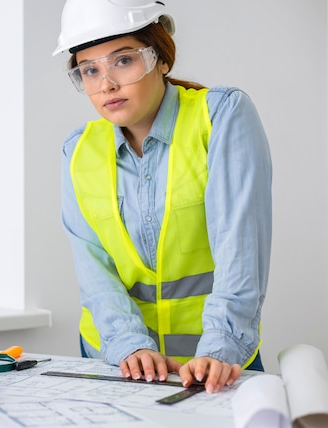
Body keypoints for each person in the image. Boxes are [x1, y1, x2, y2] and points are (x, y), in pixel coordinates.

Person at [55, 0, 272, 394]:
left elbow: (240, 248)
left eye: (123, 61)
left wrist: (221, 348)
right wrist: (128, 344)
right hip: (121, 362)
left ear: (161, 58)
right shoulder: (78, 150)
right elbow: (94, 269)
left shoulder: (220, 116)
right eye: (89, 70)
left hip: (215, 364)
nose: (106, 84)